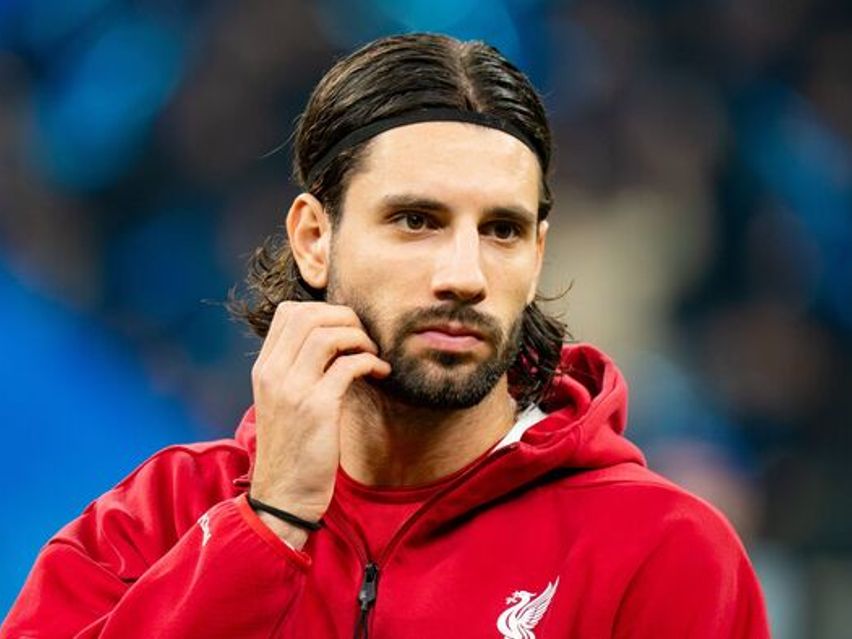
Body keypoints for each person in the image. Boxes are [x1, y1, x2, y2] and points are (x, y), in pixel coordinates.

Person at [2, 33, 770, 638]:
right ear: (315, 238)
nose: (464, 274)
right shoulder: (153, 521)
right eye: (416, 220)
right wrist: (268, 526)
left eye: (501, 230)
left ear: (536, 255)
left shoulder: (661, 550)